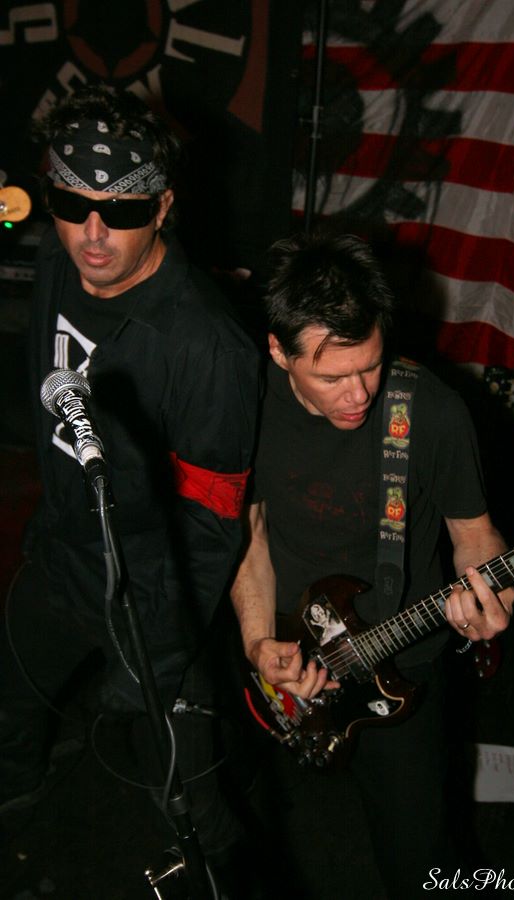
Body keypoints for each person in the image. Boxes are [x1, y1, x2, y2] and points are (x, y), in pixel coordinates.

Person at [0, 84, 260, 893]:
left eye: (123, 210)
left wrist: (162, 653)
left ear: (166, 206)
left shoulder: (208, 346)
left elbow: (212, 526)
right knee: (8, 714)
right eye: (71, 204)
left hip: (150, 596)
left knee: (184, 796)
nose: (94, 233)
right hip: (58, 557)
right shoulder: (55, 259)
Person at [230, 231, 514, 897]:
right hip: (293, 645)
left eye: (371, 366)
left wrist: (495, 593)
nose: (358, 394)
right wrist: (259, 642)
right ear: (278, 351)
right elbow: (252, 535)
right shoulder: (247, 404)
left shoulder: (433, 412)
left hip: (400, 658)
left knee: (419, 856)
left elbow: (475, 537)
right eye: (332, 378)